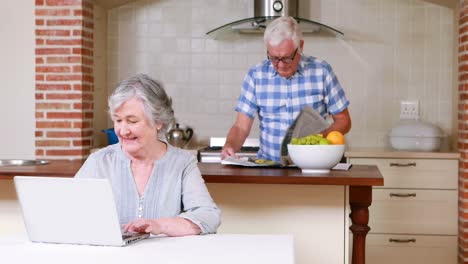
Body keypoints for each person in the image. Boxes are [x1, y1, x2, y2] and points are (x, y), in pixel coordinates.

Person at [75, 74, 221, 236]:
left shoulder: (182, 163)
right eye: (118, 120)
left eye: (132, 121)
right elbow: (68, 213)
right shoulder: (99, 162)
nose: (123, 131)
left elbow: (208, 217)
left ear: (158, 122)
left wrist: (160, 225)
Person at [221, 16, 351, 162]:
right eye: (274, 58)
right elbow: (240, 127)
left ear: (300, 46)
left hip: (314, 166)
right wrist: (229, 145)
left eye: (287, 58)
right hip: (269, 169)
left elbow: (344, 121)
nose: (281, 65)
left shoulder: (322, 71)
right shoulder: (256, 76)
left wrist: (318, 139)